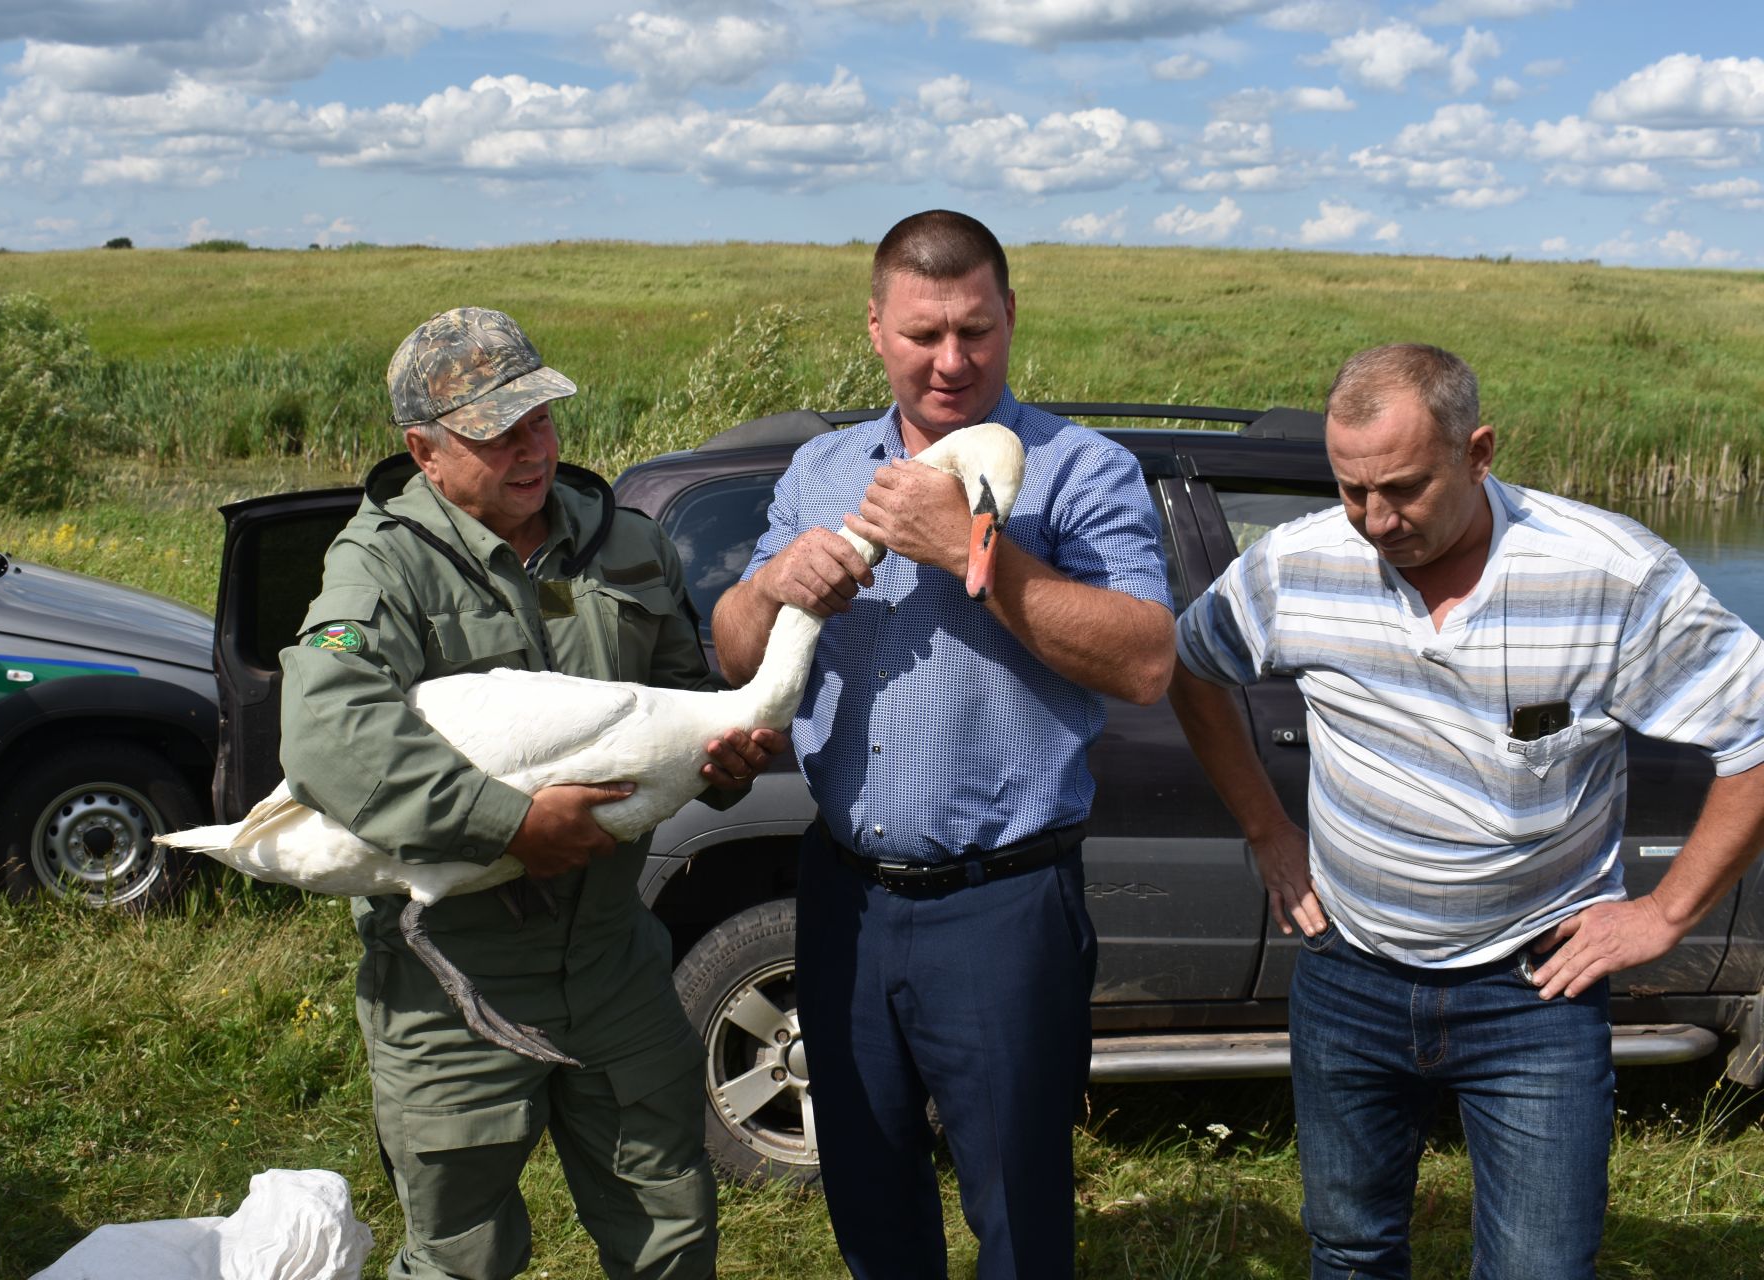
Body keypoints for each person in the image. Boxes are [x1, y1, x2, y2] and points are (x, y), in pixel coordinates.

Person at [1167, 342, 1764, 1279]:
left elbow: (1757, 738)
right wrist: (1268, 833)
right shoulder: (1295, 564)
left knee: (1540, 1264)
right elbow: (1193, 669)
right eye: (1351, 489)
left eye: (1403, 488)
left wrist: (1665, 913)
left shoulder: (1608, 576)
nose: (1375, 519)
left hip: (1534, 992)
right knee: (1351, 1246)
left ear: (1479, 453)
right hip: (1347, 973)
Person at [709, 210, 1176, 1279]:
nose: (952, 359)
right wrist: (772, 583)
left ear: (1011, 316)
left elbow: (1147, 658)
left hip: (1002, 903)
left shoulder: (1080, 469)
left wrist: (971, 547)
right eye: (924, 333)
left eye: (976, 328)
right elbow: (738, 651)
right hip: (844, 893)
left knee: (1015, 1208)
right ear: (875, 328)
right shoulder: (824, 468)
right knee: (868, 1190)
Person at [280, 306, 785, 1280]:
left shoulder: (629, 546)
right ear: (424, 451)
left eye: (541, 420)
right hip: (450, 984)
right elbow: (325, 728)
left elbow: (685, 707)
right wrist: (507, 823)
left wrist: (720, 765)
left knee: (670, 1232)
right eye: (497, 432)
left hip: (615, 964)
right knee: (461, 1256)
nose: (532, 449)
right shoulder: (382, 563)